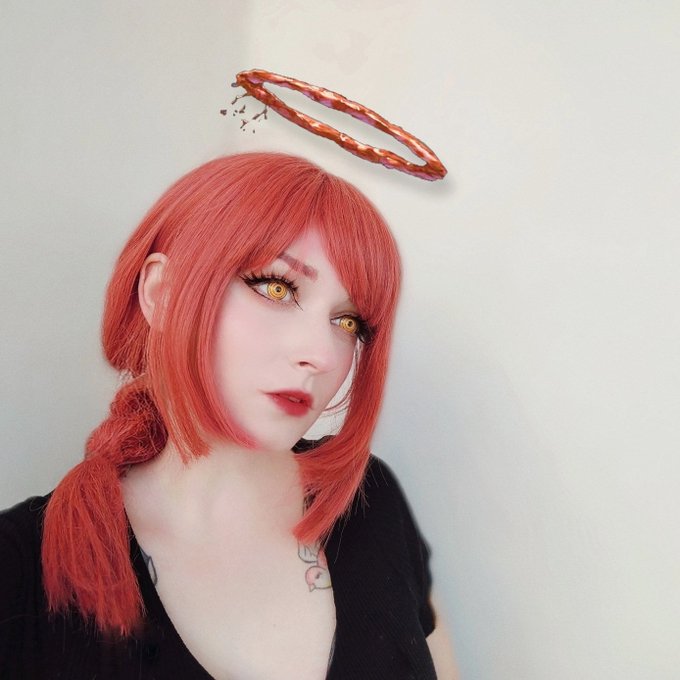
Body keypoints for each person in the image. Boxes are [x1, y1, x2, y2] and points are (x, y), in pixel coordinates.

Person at [0, 152, 457, 678]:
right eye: (277, 288)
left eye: (348, 321)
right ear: (161, 293)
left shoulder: (371, 502)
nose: (322, 355)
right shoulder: (19, 572)